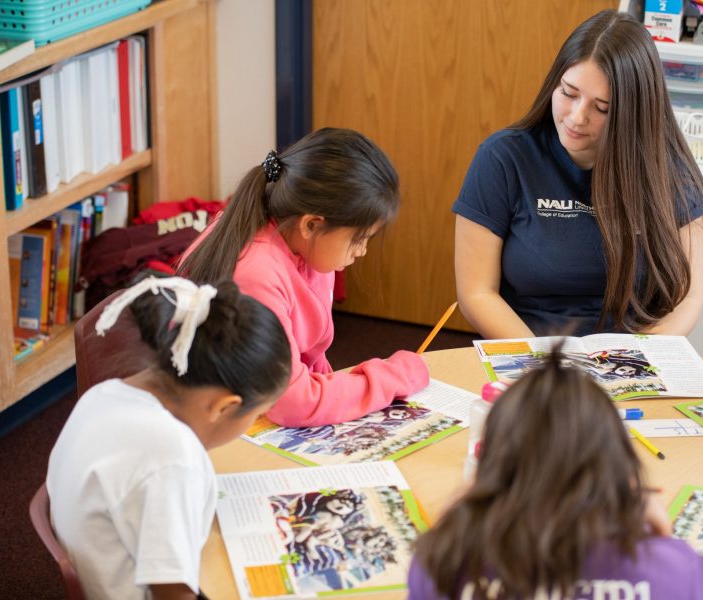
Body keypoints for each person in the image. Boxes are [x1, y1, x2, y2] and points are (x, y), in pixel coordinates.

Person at [454, 9, 703, 339]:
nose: (577, 118)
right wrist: (545, 366)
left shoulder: (670, 173)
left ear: (633, 113)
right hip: (531, 354)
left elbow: (688, 297)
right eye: (569, 93)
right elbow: (477, 293)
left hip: (631, 360)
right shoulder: (503, 158)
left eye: (601, 107)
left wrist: (642, 360)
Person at [46, 277, 292, 600]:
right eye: (258, 414)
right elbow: (175, 594)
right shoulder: (173, 459)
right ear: (224, 407)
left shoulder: (106, 393)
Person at [408, 347, 703, 599]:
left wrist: (466, 502)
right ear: (619, 464)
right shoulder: (674, 570)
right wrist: (660, 535)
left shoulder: (441, 564)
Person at [178, 127, 429, 427]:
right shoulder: (256, 272)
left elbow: (308, 366)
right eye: (358, 239)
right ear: (311, 225)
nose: (361, 252)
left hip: (261, 402)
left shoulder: (305, 246)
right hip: (225, 424)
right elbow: (293, 403)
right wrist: (395, 377)